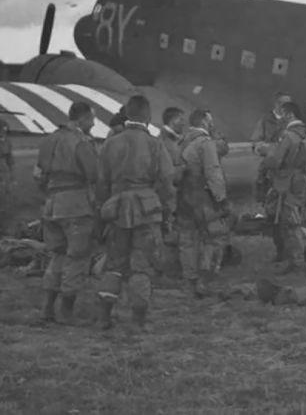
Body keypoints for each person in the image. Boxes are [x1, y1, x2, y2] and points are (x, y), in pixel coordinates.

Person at [95, 95, 175, 331]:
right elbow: (167, 180)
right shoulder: (155, 144)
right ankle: (138, 321)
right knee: (141, 265)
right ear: (147, 116)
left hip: (117, 207)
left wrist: (104, 209)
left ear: (127, 114)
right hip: (146, 209)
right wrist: (164, 208)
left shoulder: (110, 143)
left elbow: (101, 182)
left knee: (114, 264)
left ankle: (104, 317)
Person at [33, 101, 99, 325]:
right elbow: (94, 174)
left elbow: (38, 175)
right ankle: (66, 312)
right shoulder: (81, 142)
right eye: (92, 118)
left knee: (57, 256)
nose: (94, 123)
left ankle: (47, 308)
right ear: (81, 119)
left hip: (52, 204)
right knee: (77, 257)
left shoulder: (49, 139)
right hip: (76, 205)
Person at [175, 109, 231, 297]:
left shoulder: (182, 141)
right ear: (205, 122)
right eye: (210, 120)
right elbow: (213, 171)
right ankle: (204, 279)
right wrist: (221, 199)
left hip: (183, 197)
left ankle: (189, 278)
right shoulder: (205, 143)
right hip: (203, 199)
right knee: (214, 237)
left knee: (187, 240)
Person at [262, 102, 306, 274]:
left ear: (289, 115)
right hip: (303, 182)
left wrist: (265, 153)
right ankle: (292, 258)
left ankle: (296, 261)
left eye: (282, 114)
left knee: (289, 223)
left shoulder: (288, 136)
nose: (280, 117)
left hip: (287, 183)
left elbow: (276, 161)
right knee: (295, 218)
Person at [250, 92, 292, 216]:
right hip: (270, 164)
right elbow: (256, 141)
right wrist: (267, 149)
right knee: (267, 189)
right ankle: (268, 214)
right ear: (277, 104)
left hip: (287, 163)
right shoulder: (265, 120)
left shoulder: (291, 120)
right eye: (285, 104)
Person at [157, 106, 187, 279]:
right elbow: (166, 171)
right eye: (180, 118)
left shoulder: (174, 140)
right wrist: (185, 168)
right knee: (169, 231)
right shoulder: (164, 142)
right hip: (169, 193)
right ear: (171, 120)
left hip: (175, 192)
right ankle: (169, 269)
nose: (183, 122)